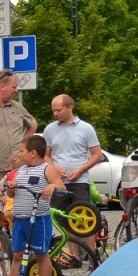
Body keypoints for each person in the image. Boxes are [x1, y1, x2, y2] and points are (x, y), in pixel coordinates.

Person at [45, 94, 105, 247]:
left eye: (58, 110)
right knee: (65, 219)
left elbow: (97, 155)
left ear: (70, 107)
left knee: (84, 217)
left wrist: (80, 170)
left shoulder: (86, 128)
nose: (55, 114)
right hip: (59, 182)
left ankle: (92, 255)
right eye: (53, 111)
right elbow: (45, 156)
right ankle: (74, 256)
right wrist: (54, 168)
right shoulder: (50, 129)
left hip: (80, 181)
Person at [10, 134, 65, 276]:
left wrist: (52, 186)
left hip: (38, 219)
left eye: (22, 151)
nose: (19, 154)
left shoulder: (47, 169)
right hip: (19, 219)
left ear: (32, 153)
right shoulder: (20, 170)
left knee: (41, 254)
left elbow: (61, 186)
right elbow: (10, 194)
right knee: (17, 255)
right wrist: (11, 188)